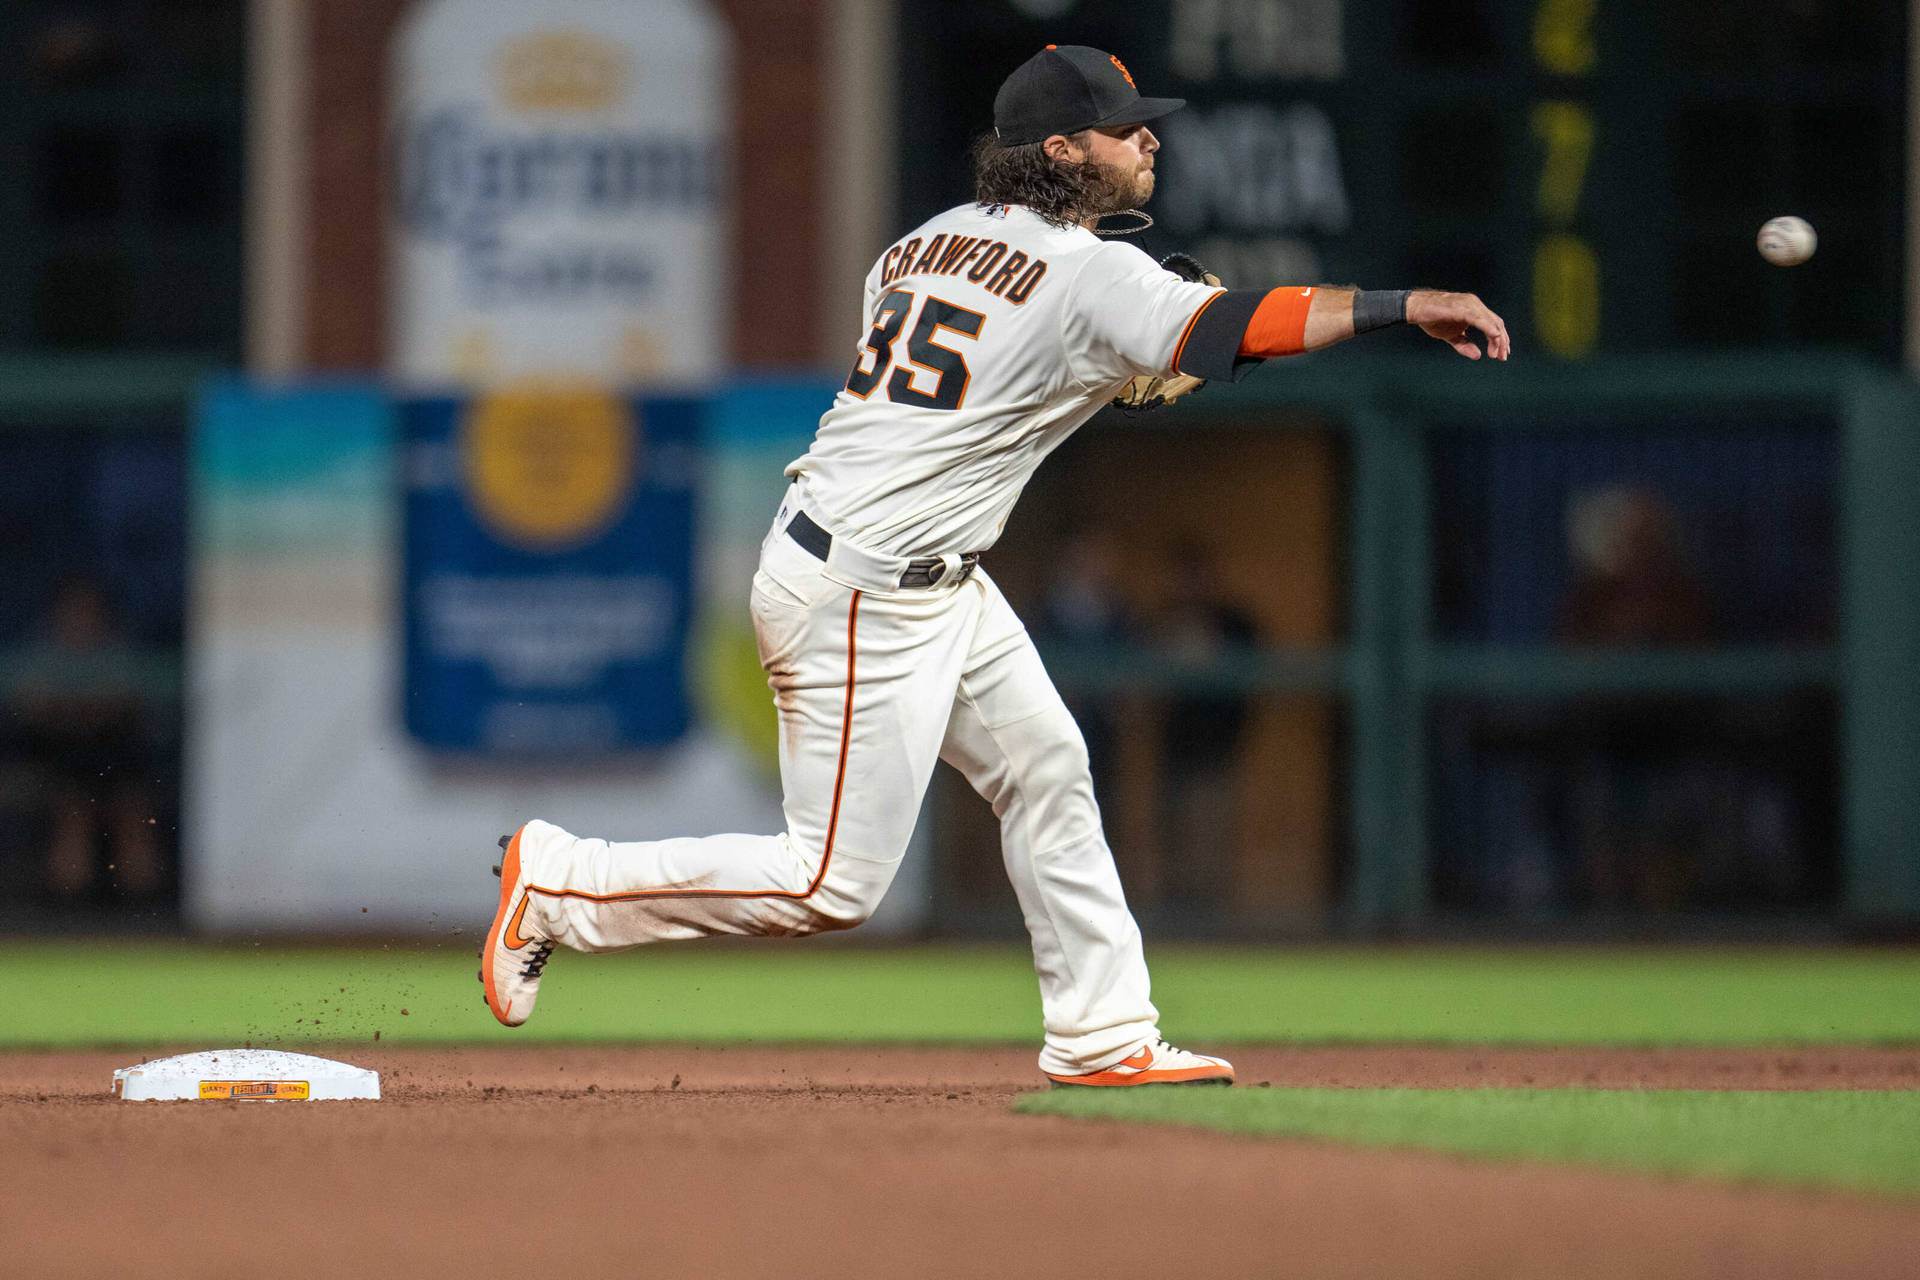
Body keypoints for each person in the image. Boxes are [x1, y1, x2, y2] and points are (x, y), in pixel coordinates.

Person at [481, 44, 1509, 1086]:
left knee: (1048, 770)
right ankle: (562, 882)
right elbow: (1231, 327)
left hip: (926, 575)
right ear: (1061, 151)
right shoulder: (1093, 271)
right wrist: (1400, 302)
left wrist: (1112, 367)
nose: (1148, 136)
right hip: (861, 593)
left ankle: (1104, 1031)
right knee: (827, 883)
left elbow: (984, 386)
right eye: (1124, 125)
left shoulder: (919, 244)